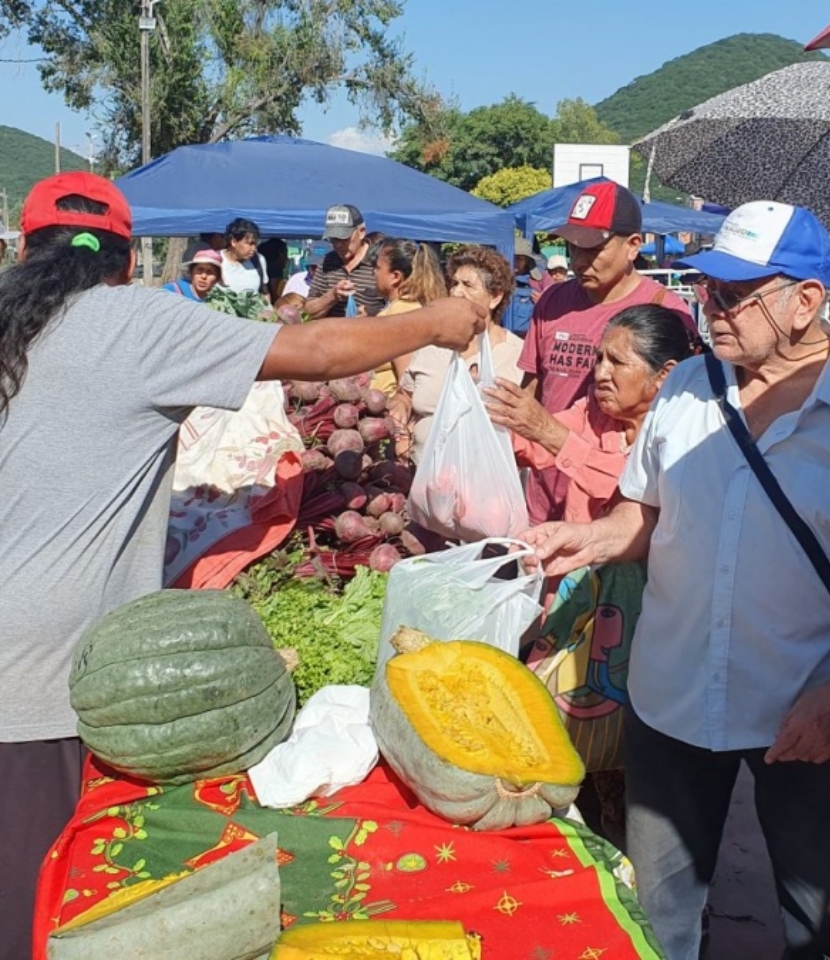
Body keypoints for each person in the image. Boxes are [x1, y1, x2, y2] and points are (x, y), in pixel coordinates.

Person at [0, 171, 486, 959]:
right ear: (127, 263)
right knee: (39, 914)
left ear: (26, 251)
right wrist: (438, 319)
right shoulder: (135, 322)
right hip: (39, 687)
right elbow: (318, 351)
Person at [522, 201, 830, 960]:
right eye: (705, 288)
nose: (710, 309)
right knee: (657, 918)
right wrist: (589, 538)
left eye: (734, 294)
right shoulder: (685, 387)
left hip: (810, 712)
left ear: (806, 302)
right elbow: (645, 513)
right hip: (670, 700)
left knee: (820, 926)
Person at [518, 181, 693, 524]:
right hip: (543, 498)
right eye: (573, 247)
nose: (580, 260)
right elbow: (533, 388)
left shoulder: (666, 312)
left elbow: (675, 419)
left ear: (632, 246)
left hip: (614, 506)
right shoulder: (552, 300)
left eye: (593, 248)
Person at [487, 303, 694, 525]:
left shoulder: (685, 434)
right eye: (599, 359)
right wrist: (489, 430)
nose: (600, 373)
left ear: (664, 374)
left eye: (616, 361)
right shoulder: (595, 410)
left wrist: (546, 431)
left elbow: (630, 489)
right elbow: (533, 443)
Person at [391, 246, 523, 463]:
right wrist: (399, 410)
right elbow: (404, 395)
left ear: (495, 297)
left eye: (468, 285)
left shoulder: (518, 355)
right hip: (424, 479)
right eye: (454, 283)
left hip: (487, 487)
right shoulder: (431, 345)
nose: (456, 292)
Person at [370, 237, 447, 394]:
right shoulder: (401, 308)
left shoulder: (401, 312)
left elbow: (407, 378)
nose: (374, 273)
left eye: (378, 268)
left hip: (389, 407)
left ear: (395, 277)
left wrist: (400, 406)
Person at [305, 204, 384, 318]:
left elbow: (400, 309)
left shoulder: (381, 261)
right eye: (333, 239)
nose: (338, 245)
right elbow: (308, 312)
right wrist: (332, 296)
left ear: (361, 232)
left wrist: (374, 313)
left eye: (344, 238)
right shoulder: (326, 262)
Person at [219, 217, 269, 296]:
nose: (254, 249)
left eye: (255, 244)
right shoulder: (216, 259)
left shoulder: (259, 260)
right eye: (249, 244)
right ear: (234, 241)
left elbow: (264, 292)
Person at [257, 237, 288, 303]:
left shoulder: (259, 265)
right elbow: (275, 290)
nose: (287, 258)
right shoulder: (276, 267)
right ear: (281, 254)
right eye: (286, 253)